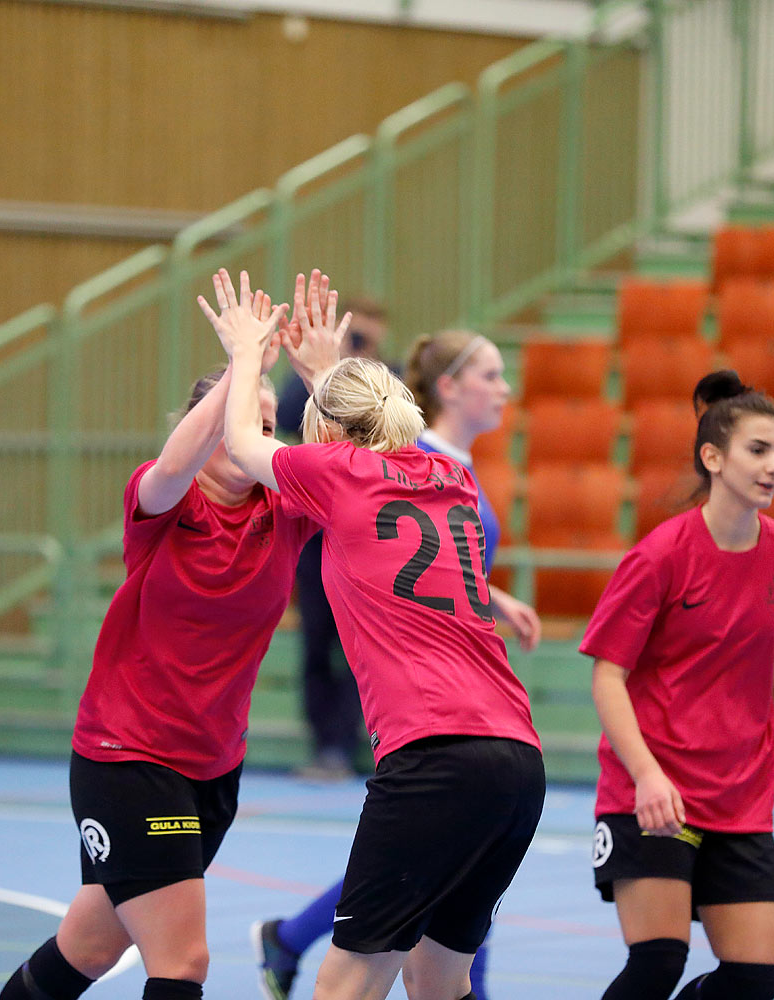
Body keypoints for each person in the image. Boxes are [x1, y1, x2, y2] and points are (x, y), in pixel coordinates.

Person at [0, 270, 340, 1000]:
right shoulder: (164, 501)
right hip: (130, 758)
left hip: (212, 770)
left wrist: (322, 373)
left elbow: (351, 471)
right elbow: (177, 460)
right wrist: (246, 365)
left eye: (270, 425)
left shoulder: (285, 516)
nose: (257, 435)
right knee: (183, 965)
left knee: (84, 950)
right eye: (248, 418)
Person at [213, 273, 546, 1000]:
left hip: (434, 754)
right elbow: (378, 433)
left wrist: (247, 354)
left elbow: (240, 442)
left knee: (344, 986)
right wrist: (329, 372)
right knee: (440, 984)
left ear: (328, 433)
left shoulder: (338, 472)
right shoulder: (447, 476)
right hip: (516, 760)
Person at [584, 370, 774, 1000]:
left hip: (741, 794)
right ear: (712, 458)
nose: (773, 466)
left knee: (753, 978)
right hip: (657, 793)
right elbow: (608, 674)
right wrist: (647, 775)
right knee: (658, 961)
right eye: (757, 450)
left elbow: (763, 651)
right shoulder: (661, 555)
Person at [275, 298, 391, 781]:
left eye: (369, 334)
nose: (361, 341)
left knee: (365, 649)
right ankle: (327, 746)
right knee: (317, 646)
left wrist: (363, 367)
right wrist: (330, 367)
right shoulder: (305, 383)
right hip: (317, 541)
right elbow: (283, 418)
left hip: (365, 543)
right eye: (354, 333)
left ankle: (361, 743)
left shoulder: (388, 381)